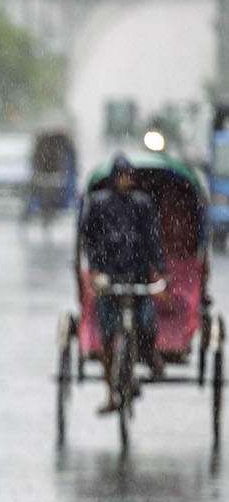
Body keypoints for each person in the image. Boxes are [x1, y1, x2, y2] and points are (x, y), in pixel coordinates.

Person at [79, 154, 168, 413]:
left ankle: (148, 356)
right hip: (109, 278)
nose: (126, 181)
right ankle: (110, 394)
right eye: (122, 176)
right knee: (107, 338)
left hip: (137, 277)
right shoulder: (98, 205)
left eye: (129, 176)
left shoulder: (142, 205)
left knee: (147, 323)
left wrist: (161, 271)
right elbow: (90, 240)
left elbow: (153, 240)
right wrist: (95, 270)